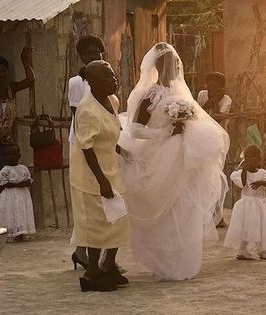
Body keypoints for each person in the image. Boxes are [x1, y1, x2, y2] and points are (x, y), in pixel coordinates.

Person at [118, 42, 229, 281]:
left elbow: (200, 121)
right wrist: (163, 133)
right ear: (157, 66)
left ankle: (183, 261)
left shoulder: (183, 95)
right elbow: (135, 129)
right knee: (166, 208)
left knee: (186, 206)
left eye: (175, 64)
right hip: (161, 156)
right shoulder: (151, 94)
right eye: (168, 64)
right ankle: (164, 262)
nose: (173, 68)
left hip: (185, 157)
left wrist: (185, 125)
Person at [70, 60, 128, 292]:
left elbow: (113, 132)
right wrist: (101, 180)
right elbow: (86, 147)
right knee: (96, 224)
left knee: (119, 219)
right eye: (107, 76)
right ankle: (92, 273)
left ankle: (108, 265)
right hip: (91, 175)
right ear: (92, 83)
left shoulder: (111, 101)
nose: (113, 80)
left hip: (110, 167)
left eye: (113, 75)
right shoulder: (86, 109)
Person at [0, 35, 35, 219]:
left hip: (7, 145)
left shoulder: (11, 88)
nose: (1, 75)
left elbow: (30, 80)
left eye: (4, 71)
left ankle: (7, 219)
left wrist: (24, 61)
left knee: (8, 183)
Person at [68, 34, 105, 272]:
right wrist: (86, 145)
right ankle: (82, 251)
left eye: (97, 52)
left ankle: (93, 253)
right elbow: (77, 116)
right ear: (82, 57)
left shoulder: (105, 78)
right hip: (84, 145)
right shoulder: (76, 83)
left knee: (99, 201)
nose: (93, 56)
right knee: (86, 199)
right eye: (88, 53)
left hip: (102, 143)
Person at [224, 145, 266, 260]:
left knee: (261, 228)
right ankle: (242, 251)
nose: (253, 160)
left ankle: (262, 250)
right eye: (249, 158)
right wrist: (244, 170)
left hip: (260, 206)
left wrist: (262, 182)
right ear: (245, 159)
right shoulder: (240, 173)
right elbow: (243, 184)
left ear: (259, 159)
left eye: (256, 158)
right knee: (245, 228)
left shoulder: (262, 173)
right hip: (246, 206)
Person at [196, 72, 231, 228]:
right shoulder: (202, 95)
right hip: (201, 138)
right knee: (203, 176)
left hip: (218, 140)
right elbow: (196, 113)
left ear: (221, 87)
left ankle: (218, 215)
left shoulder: (226, 99)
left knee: (216, 176)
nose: (211, 88)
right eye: (209, 85)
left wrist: (214, 103)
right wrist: (207, 104)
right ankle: (204, 213)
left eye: (215, 86)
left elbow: (219, 117)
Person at [0, 144, 36, 242]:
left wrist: (17, 183)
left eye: (13, 154)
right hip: (10, 196)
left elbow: (28, 181)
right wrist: (19, 184)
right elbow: (4, 184)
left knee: (21, 212)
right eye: (8, 154)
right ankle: (13, 233)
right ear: (4, 157)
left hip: (22, 196)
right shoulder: (5, 170)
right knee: (11, 212)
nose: (11, 157)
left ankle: (21, 232)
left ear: (19, 156)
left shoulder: (23, 168)